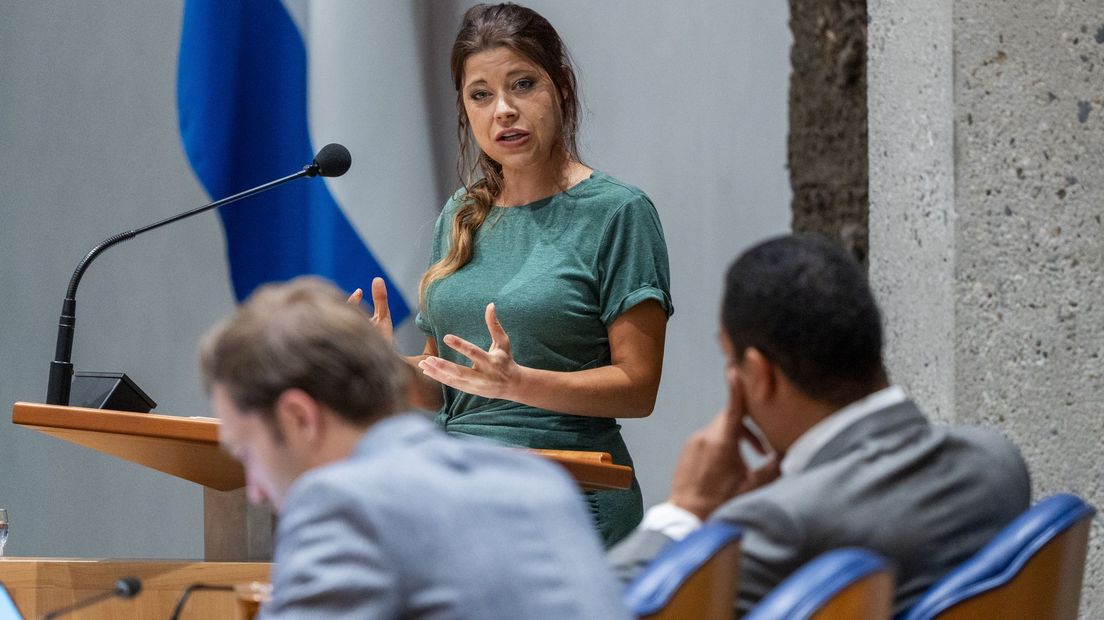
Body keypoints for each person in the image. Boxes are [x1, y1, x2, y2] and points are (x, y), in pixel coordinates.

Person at [354, 3, 672, 546]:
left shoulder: (618, 213)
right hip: (451, 493)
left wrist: (519, 384)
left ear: (562, 89)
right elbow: (448, 388)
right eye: (480, 94)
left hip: (567, 492)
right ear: (465, 110)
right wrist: (385, 367)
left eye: (523, 85)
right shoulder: (461, 213)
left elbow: (637, 389)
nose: (503, 110)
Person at [608, 235, 1031, 615]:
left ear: (759, 373)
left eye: (730, 361)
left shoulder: (782, 522)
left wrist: (685, 511)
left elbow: (596, 608)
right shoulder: (997, 462)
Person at [200, 277, 632, 619]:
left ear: (298, 416)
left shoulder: (343, 504)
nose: (254, 490)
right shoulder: (537, 483)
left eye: (247, 452)